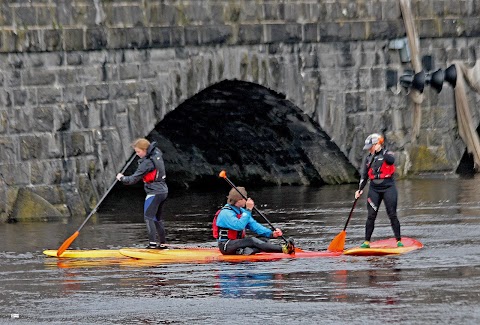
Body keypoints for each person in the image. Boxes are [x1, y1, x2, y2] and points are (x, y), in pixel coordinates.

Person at [116, 138, 169, 249]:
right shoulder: (156, 153)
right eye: (136, 152)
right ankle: (163, 244)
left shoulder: (147, 163)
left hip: (154, 192)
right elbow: (153, 148)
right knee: (157, 218)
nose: (137, 154)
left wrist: (121, 178)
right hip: (163, 191)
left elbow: (132, 180)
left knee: (149, 218)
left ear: (145, 150)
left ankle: (152, 246)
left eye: (138, 151)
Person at [214, 187, 295, 255]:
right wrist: (248, 210)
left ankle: (248, 251)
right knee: (252, 240)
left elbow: (255, 226)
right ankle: (284, 249)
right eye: (245, 198)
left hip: (238, 244)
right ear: (239, 200)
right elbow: (239, 226)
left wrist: (271, 233)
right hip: (226, 246)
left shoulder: (241, 211)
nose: (247, 200)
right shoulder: (225, 213)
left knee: (264, 239)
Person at [354, 133, 403, 248]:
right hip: (374, 189)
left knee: (392, 215)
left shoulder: (387, 154)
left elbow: (391, 161)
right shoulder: (368, 158)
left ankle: (399, 241)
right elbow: (364, 176)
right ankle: (366, 242)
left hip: (388, 187)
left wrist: (380, 149)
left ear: (377, 144)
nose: (369, 149)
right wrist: (359, 190)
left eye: (371, 147)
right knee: (371, 216)